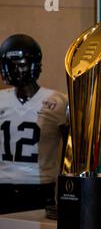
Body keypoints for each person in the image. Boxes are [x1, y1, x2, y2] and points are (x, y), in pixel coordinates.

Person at [0, 34, 68, 214]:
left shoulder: (58, 101)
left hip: (39, 187)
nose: (15, 70)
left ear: (34, 65)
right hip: (2, 186)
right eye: (10, 65)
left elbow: (72, 151)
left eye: (20, 64)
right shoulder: (1, 99)